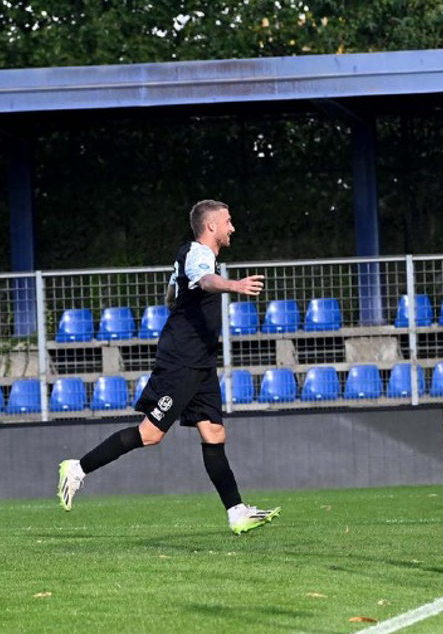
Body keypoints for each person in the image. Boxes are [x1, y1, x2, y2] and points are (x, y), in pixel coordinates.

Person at [57, 199, 280, 534]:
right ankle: (77, 467)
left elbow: (171, 296)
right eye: (228, 222)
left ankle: (236, 511)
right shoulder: (199, 254)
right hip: (183, 361)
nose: (233, 228)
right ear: (211, 226)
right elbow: (204, 282)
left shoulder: (190, 256)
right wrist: (233, 286)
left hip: (200, 360)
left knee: (214, 432)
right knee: (150, 434)